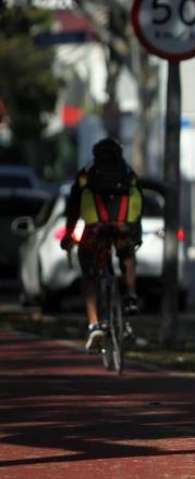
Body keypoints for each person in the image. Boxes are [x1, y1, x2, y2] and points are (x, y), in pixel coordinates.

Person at [60, 138, 143, 351]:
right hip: (123, 226)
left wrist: (69, 235)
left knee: (89, 273)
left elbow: (74, 206)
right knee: (127, 255)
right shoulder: (128, 172)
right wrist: (135, 233)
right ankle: (131, 295)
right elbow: (138, 203)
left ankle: (94, 324)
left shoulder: (86, 173)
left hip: (95, 228)